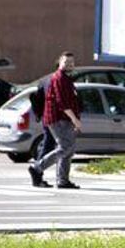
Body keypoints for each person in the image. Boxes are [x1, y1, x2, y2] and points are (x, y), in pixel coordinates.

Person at [29, 52, 82, 189]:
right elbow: (62, 102)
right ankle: (37, 168)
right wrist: (75, 119)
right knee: (65, 147)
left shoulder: (66, 79)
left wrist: (74, 120)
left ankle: (63, 181)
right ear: (59, 63)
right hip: (57, 119)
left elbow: (72, 101)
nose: (69, 64)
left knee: (68, 149)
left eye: (71, 62)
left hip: (65, 119)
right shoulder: (59, 78)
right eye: (66, 62)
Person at [27, 76, 57, 187]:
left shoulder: (44, 81)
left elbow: (36, 98)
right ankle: (37, 171)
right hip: (53, 118)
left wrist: (39, 115)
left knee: (48, 145)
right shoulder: (56, 80)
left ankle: (38, 174)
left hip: (46, 117)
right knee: (52, 146)